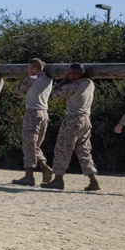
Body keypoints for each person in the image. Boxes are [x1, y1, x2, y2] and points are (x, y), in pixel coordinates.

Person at [41, 63, 101, 191]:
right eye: (71, 73)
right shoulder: (89, 83)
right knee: (84, 150)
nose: (73, 76)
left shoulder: (72, 85)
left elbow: (55, 95)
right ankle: (93, 180)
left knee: (62, 149)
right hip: (86, 121)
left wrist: (64, 79)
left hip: (72, 120)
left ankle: (58, 179)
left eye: (75, 73)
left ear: (81, 73)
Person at [12, 58, 54, 186]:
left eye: (28, 68)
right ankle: (44, 167)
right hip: (44, 113)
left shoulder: (31, 79)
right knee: (35, 145)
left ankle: (29, 175)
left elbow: (19, 90)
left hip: (32, 113)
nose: (27, 70)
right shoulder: (49, 79)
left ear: (35, 69)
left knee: (28, 144)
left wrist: (27, 77)